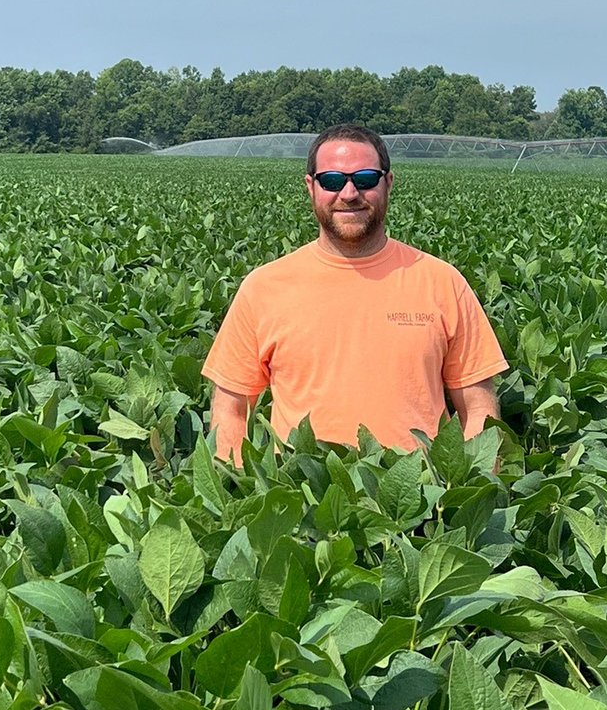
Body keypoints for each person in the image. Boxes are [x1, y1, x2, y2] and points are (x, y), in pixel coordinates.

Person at [202, 123, 507, 461]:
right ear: (311, 187)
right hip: (303, 497)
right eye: (332, 180)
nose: (348, 194)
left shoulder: (442, 282)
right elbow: (230, 409)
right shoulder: (263, 288)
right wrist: (235, 489)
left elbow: (479, 410)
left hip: (419, 497)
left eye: (365, 179)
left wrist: (467, 493)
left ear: (388, 183)